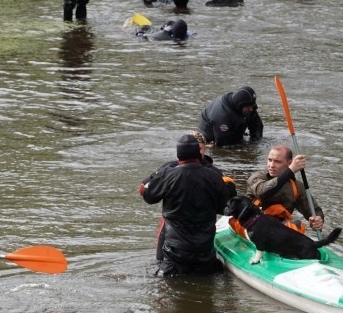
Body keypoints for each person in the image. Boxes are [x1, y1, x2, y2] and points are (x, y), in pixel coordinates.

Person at [139, 134, 237, 276]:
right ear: (198, 153)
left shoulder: (167, 174)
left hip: (176, 251)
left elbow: (149, 197)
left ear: (178, 155)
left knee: (168, 288)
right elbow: (225, 209)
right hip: (204, 251)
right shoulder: (214, 176)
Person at [246, 143, 324, 234]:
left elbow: (314, 211)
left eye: (277, 162)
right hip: (252, 225)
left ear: (289, 163)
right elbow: (262, 192)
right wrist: (290, 171)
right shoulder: (256, 178)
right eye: (270, 160)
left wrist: (317, 221)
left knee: (296, 225)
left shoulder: (297, 186)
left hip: (277, 230)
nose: (271, 165)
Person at [198, 86, 264, 147]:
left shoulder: (248, 105)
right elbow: (224, 145)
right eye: (248, 107)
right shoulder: (222, 116)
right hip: (213, 137)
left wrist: (255, 143)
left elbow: (257, 125)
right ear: (240, 105)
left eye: (252, 106)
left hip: (234, 129)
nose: (251, 109)